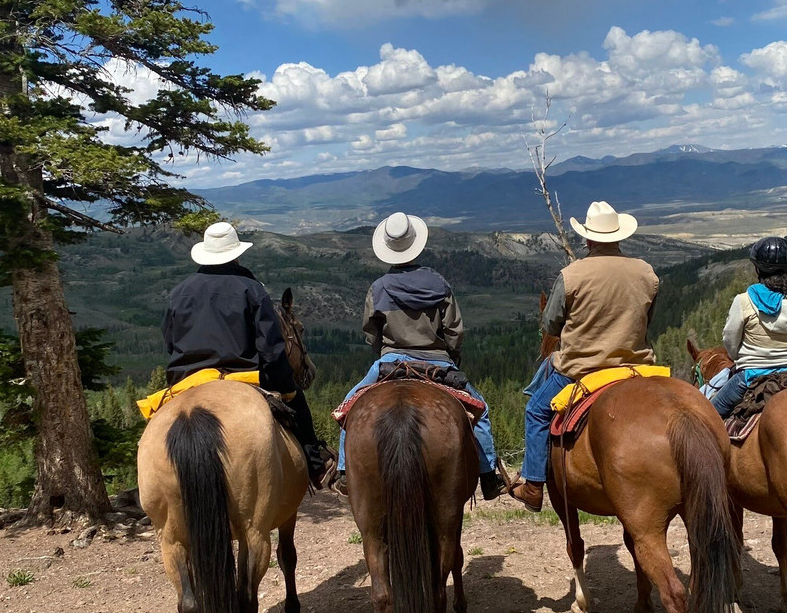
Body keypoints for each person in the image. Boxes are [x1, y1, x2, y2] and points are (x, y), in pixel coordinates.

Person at [330, 212, 507, 500]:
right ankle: (488, 476)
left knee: (348, 409)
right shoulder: (439, 284)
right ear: (416, 245)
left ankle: (344, 473)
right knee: (481, 410)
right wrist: (451, 356)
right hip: (438, 362)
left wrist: (384, 350)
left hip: (389, 363)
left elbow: (370, 333)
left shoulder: (378, 288)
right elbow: (454, 331)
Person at [162, 221, 334, 488]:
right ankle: (314, 465)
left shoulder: (178, 292)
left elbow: (170, 342)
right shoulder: (252, 289)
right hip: (242, 377)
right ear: (236, 253)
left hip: (187, 380)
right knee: (298, 401)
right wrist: (285, 383)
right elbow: (270, 347)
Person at [510, 201, 658, 512]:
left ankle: (533, 485)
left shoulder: (571, 275)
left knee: (536, 410)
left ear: (588, 239)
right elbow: (648, 318)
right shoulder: (646, 273)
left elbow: (551, 324)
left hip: (580, 371)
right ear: (619, 237)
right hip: (637, 368)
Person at [710, 236, 787, 418]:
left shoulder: (743, 301)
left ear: (758, 268)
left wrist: (740, 358)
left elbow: (730, 342)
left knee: (707, 419)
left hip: (751, 376)